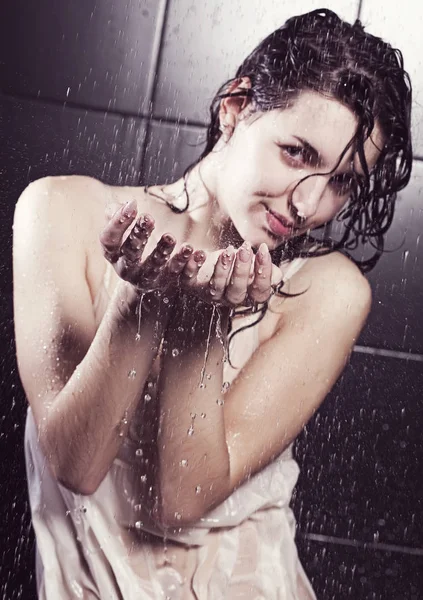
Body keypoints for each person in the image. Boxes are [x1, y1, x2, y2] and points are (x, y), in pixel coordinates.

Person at [13, 8, 412, 600]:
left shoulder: (325, 289)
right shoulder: (64, 211)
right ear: (235, 108)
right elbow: (75, 465)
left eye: (341, 181)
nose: (308, 203)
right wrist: (140, 301)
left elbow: (179, 499)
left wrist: (205, 322)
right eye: (297, 152)